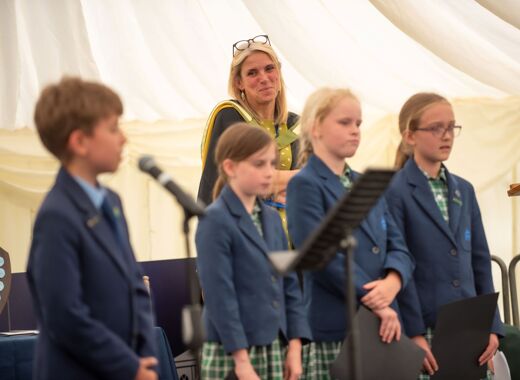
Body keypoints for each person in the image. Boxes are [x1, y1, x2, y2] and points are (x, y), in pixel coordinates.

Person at [26, 77, 158, 380]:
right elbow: (65, 316)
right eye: (113, 128)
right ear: (80, 142)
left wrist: (146, 358)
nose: (123, 138)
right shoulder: (56, 215)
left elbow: (136, 287)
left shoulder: (112, 201)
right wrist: (129, 366)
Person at [286, 87, 415, 378]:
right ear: (315, 127)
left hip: (386, 322)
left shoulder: (364, 182)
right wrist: (376, 301)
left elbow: (398, 245)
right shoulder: (304, 184)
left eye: (358, 123)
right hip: (339, 328)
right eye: (344, 122)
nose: (355, 130)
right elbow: (320, 256)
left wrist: (393, 282)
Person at [387, 92, 503, 379]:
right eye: (436, 128)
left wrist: (492, 325)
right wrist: (413, 334)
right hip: (425, 329)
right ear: (410, 136)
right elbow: (399, 268)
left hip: (471, 328)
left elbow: (480, 263)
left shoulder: (464, 189)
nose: (447, 135)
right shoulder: (394, 191)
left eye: (451, 127)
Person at [195, 123, 311, 380]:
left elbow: (289, 285)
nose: (270, 172)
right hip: (234, 350)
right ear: (229, 167)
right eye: (259, 164)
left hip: (274, 344)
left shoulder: (271, 218)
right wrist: (242, 361)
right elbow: (219, 297)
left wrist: (294, 345)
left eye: (272, 164)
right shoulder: (215, 220)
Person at [198, 35, 300, 228]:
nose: (263, 78)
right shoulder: (229, 116)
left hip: (291, 237)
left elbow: (313, 188)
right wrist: (294, 179)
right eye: (252, 73)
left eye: (269, 69)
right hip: (243, 234)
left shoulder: (294, 124)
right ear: (239, 83)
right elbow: (234, 184)